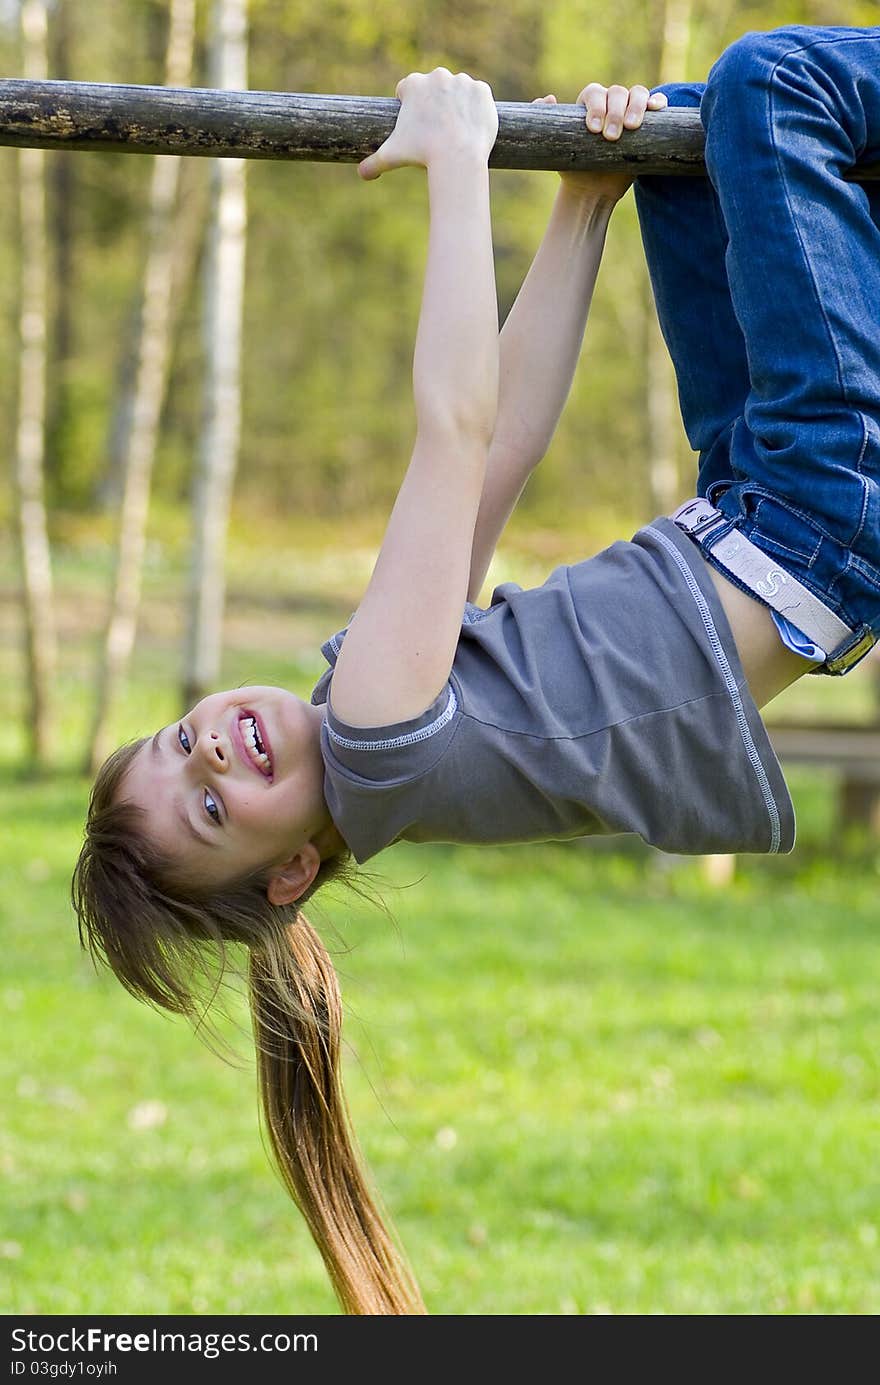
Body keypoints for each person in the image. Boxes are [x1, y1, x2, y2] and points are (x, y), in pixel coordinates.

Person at [72, 26, 880, 1315]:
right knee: (772, 85)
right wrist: (459, 161)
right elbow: (447, 427)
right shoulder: (382, 739)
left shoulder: (368, 703)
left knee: (682, 146)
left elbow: (497, 449)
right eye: (214, 811)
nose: (213, 754)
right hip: (817, 513)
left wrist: (579, 205)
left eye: (181, 749)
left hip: (761, 501)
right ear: (289, 872)